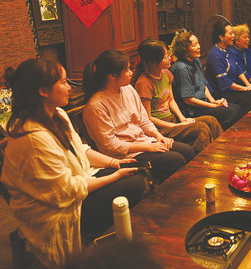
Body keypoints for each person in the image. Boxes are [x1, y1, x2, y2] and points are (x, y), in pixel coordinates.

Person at [1, 59, 146, 269]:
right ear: (43, 91)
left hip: (80, 183)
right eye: (63, 82)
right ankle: (106, 247)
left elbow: (81, 150)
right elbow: (66, 190)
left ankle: (119, 243)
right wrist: (114, 176)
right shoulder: (33, 137)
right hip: (57, 209)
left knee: (138, 173)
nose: (69, 87)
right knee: (135, 184)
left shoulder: (57, 114)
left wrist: (115, 163)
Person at [83, 49, 195, 185]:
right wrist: (147, 147)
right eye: (127, 70)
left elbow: (144, 120)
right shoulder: (96, 106)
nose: (131, 73)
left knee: (188, 151)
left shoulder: (128, 89)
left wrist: (158, 136)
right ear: (112, 76)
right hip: (125, 156)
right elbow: (110, 146)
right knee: (176, 159)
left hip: (145, 141)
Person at [133, 39, 222, 153]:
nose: (169, 58)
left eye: (168, 54)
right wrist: (173, 126)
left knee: (211, 120)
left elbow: (171, 100)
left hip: (172, 119)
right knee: (200, 128)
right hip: (159, 128)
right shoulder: (144, 83)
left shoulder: (166, 73)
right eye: (165, 56)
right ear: (152, 61)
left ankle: (221, 151)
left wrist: (182, 119)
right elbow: (148, 118)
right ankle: (202, 159)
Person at [169, 29, 242, 130]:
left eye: (198, 43)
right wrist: (212, 106)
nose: (199, 47)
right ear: (184, 49)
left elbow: (203, 84)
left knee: (236, 107)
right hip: (192, 111)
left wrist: (213, 101)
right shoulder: (181, 67)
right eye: (194, 45)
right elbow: (188, 100)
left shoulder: (196, 61)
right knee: (231, 112)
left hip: (203, 104)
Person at [206, 18, 251, 114]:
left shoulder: (228, 50)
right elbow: (225, 83)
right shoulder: (215, 55)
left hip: (231, 91)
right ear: (221, 37)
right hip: (222, 94)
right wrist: (245, 88)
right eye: (230, 33)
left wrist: (248, 85)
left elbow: (238, 70)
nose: (233, 36)